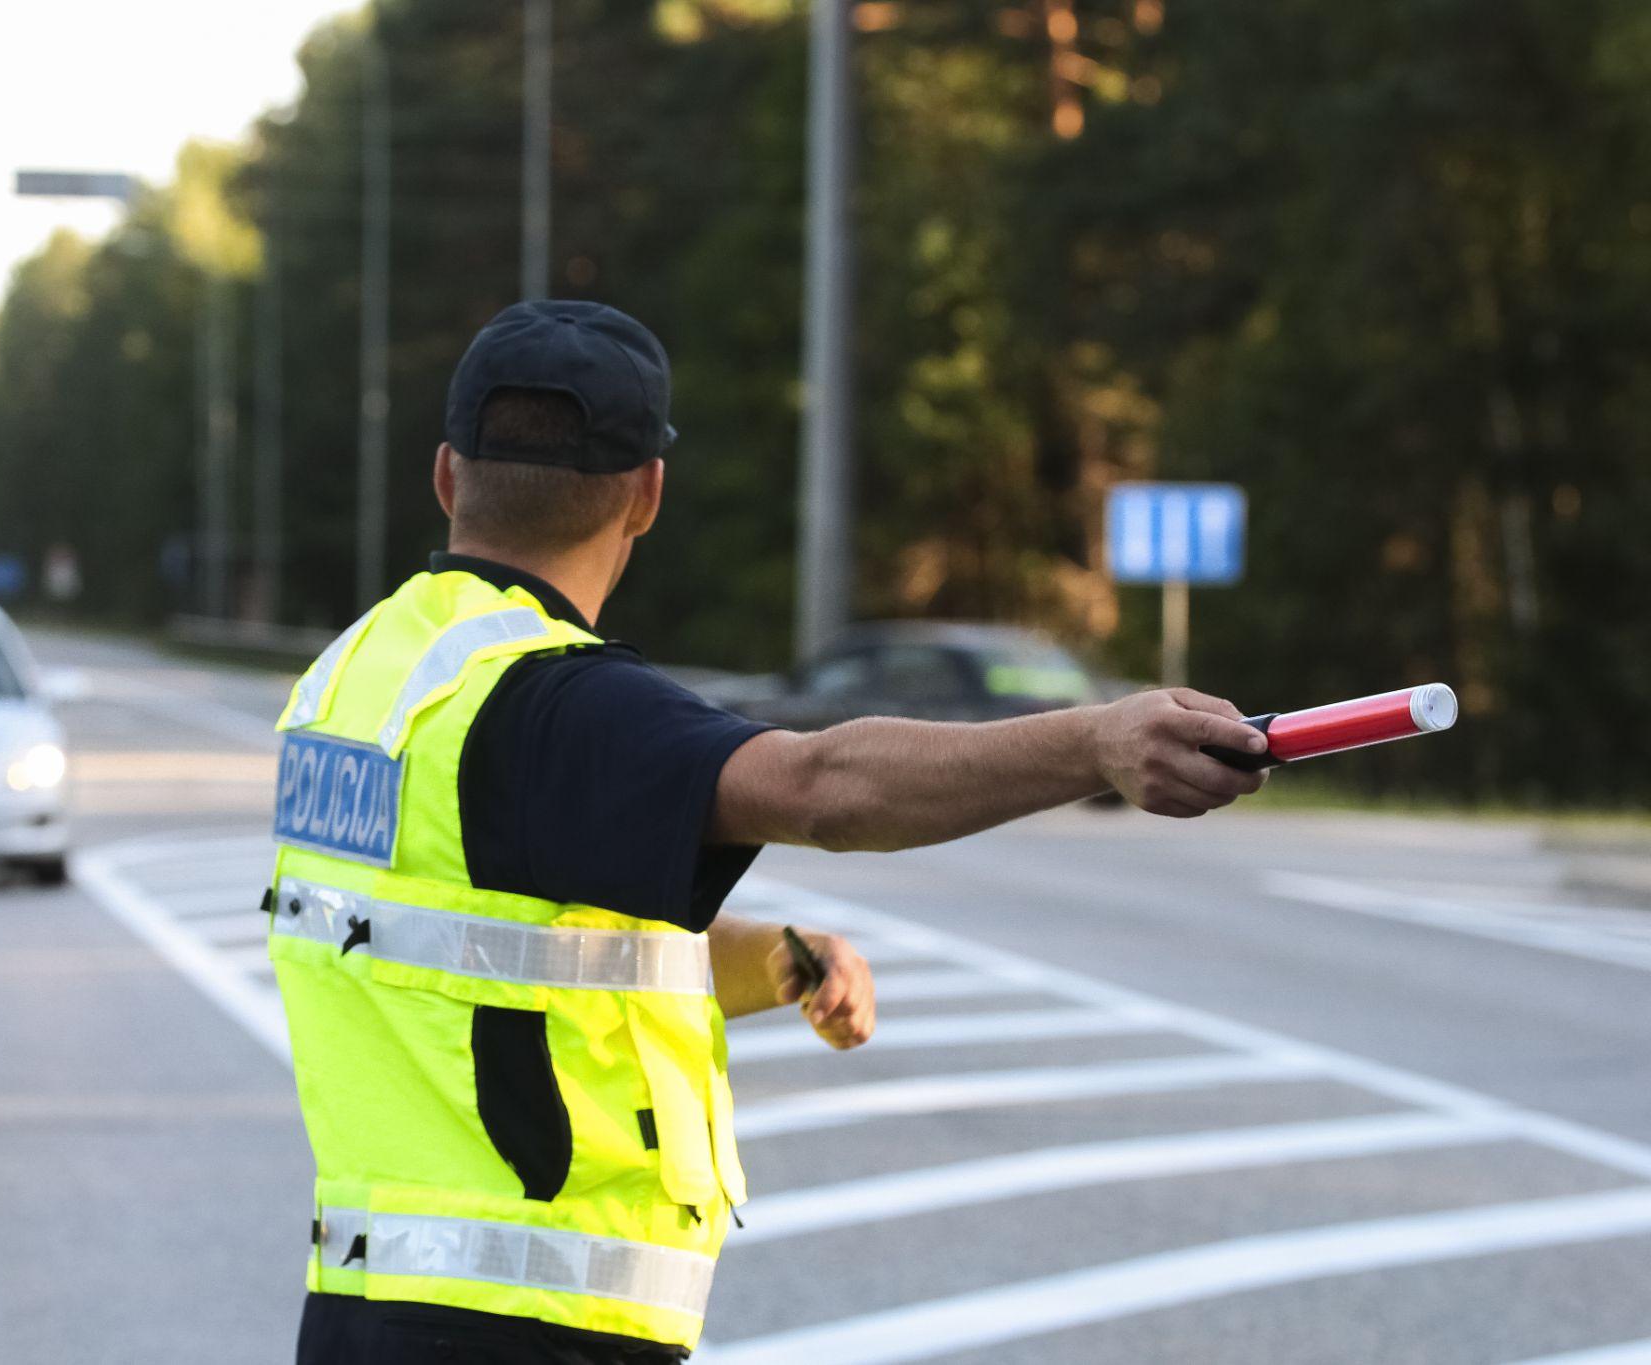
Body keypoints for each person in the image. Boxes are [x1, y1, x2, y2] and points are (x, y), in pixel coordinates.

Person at [270, 300, 1269, 1365]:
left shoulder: (360, 683)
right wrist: (1095, 742)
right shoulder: (550, 705)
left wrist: (775, 962)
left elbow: (470, 941)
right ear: (646, 496)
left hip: (364, 1314)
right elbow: (819, 785)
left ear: (443, 475)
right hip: (523, 1330)